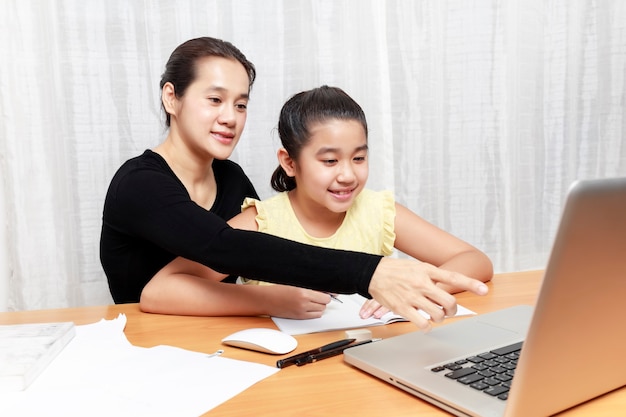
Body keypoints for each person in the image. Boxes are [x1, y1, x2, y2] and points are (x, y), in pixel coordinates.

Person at [100, 37, 491, 331]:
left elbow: (254, 258)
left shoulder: (230, 178)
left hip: (215, 338)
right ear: (172, 98)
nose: (231, 117)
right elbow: (225, 248)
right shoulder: (139, 184)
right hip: (141, 341)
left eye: (240, 104)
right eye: (214, 100)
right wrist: (369, 273)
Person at [158, 85, 493, 320]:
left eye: (359, 158)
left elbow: (474, 261)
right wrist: (267, 300)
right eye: (330, 162)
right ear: (290, 162)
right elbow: (161, 291)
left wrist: (409, 289)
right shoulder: (260, 222)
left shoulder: (379, 211)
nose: (348, 175)